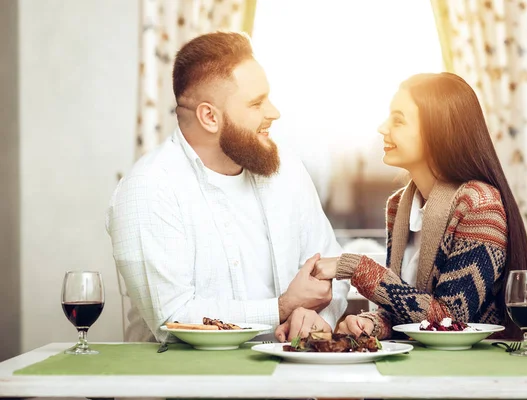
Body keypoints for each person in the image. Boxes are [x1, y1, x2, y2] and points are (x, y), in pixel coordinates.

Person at [106, 31, 349, 343]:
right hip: (183, 388)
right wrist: (282, 308)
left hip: (287, 381)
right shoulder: (148, 189)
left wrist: (317, 319)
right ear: (209, 117)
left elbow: (332, 270)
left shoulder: (286, 169)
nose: (274, 112)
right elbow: (173, 319)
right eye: (256, 103)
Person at [276, 72, 527, 342]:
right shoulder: (399, 206)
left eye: (398, 120)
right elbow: (406, 311)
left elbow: (450, 320)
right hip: (421, 366)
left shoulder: (479, 205)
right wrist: (367, 324)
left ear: (439, 131)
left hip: (474, 368)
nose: (383, 128)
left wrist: (353, 266)